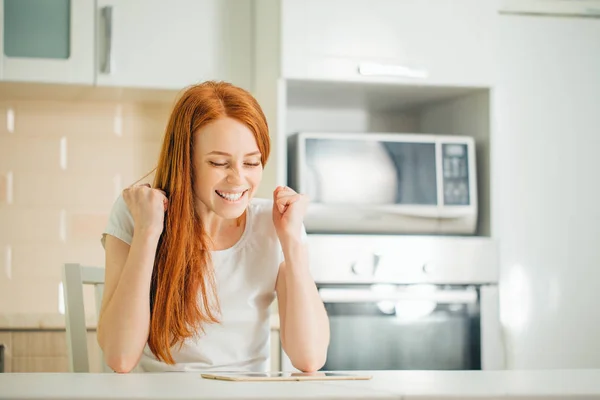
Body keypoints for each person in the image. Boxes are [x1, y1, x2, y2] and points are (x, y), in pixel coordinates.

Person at [97, 81, 330, 373]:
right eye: (219, 163)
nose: (238, 179)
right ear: (185, 162)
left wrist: (293, 242)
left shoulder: (274, 223)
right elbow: (119, 358)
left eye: (251, 163)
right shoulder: (138, 214)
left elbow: (309, 358)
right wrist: (148, 232)